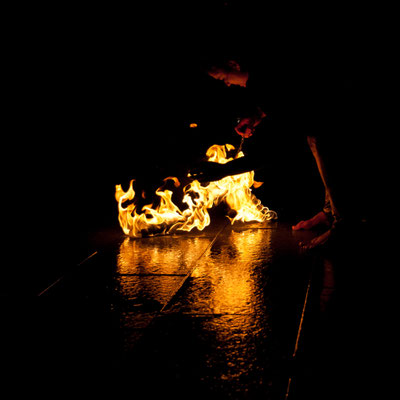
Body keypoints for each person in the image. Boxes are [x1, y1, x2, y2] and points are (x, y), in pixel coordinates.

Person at [191, 55, 365, 251]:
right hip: (332, 123)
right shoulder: (264, 80)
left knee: (320, 139)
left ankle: (344, 227)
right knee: (317, 138)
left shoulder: (266, 81)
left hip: (349, 123)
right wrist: (258, 115)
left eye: (224, 78)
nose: (228, 85)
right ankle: (330, 213)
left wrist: (224, 169)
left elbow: (272, 151)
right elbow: (284, 104)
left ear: (233, 64)